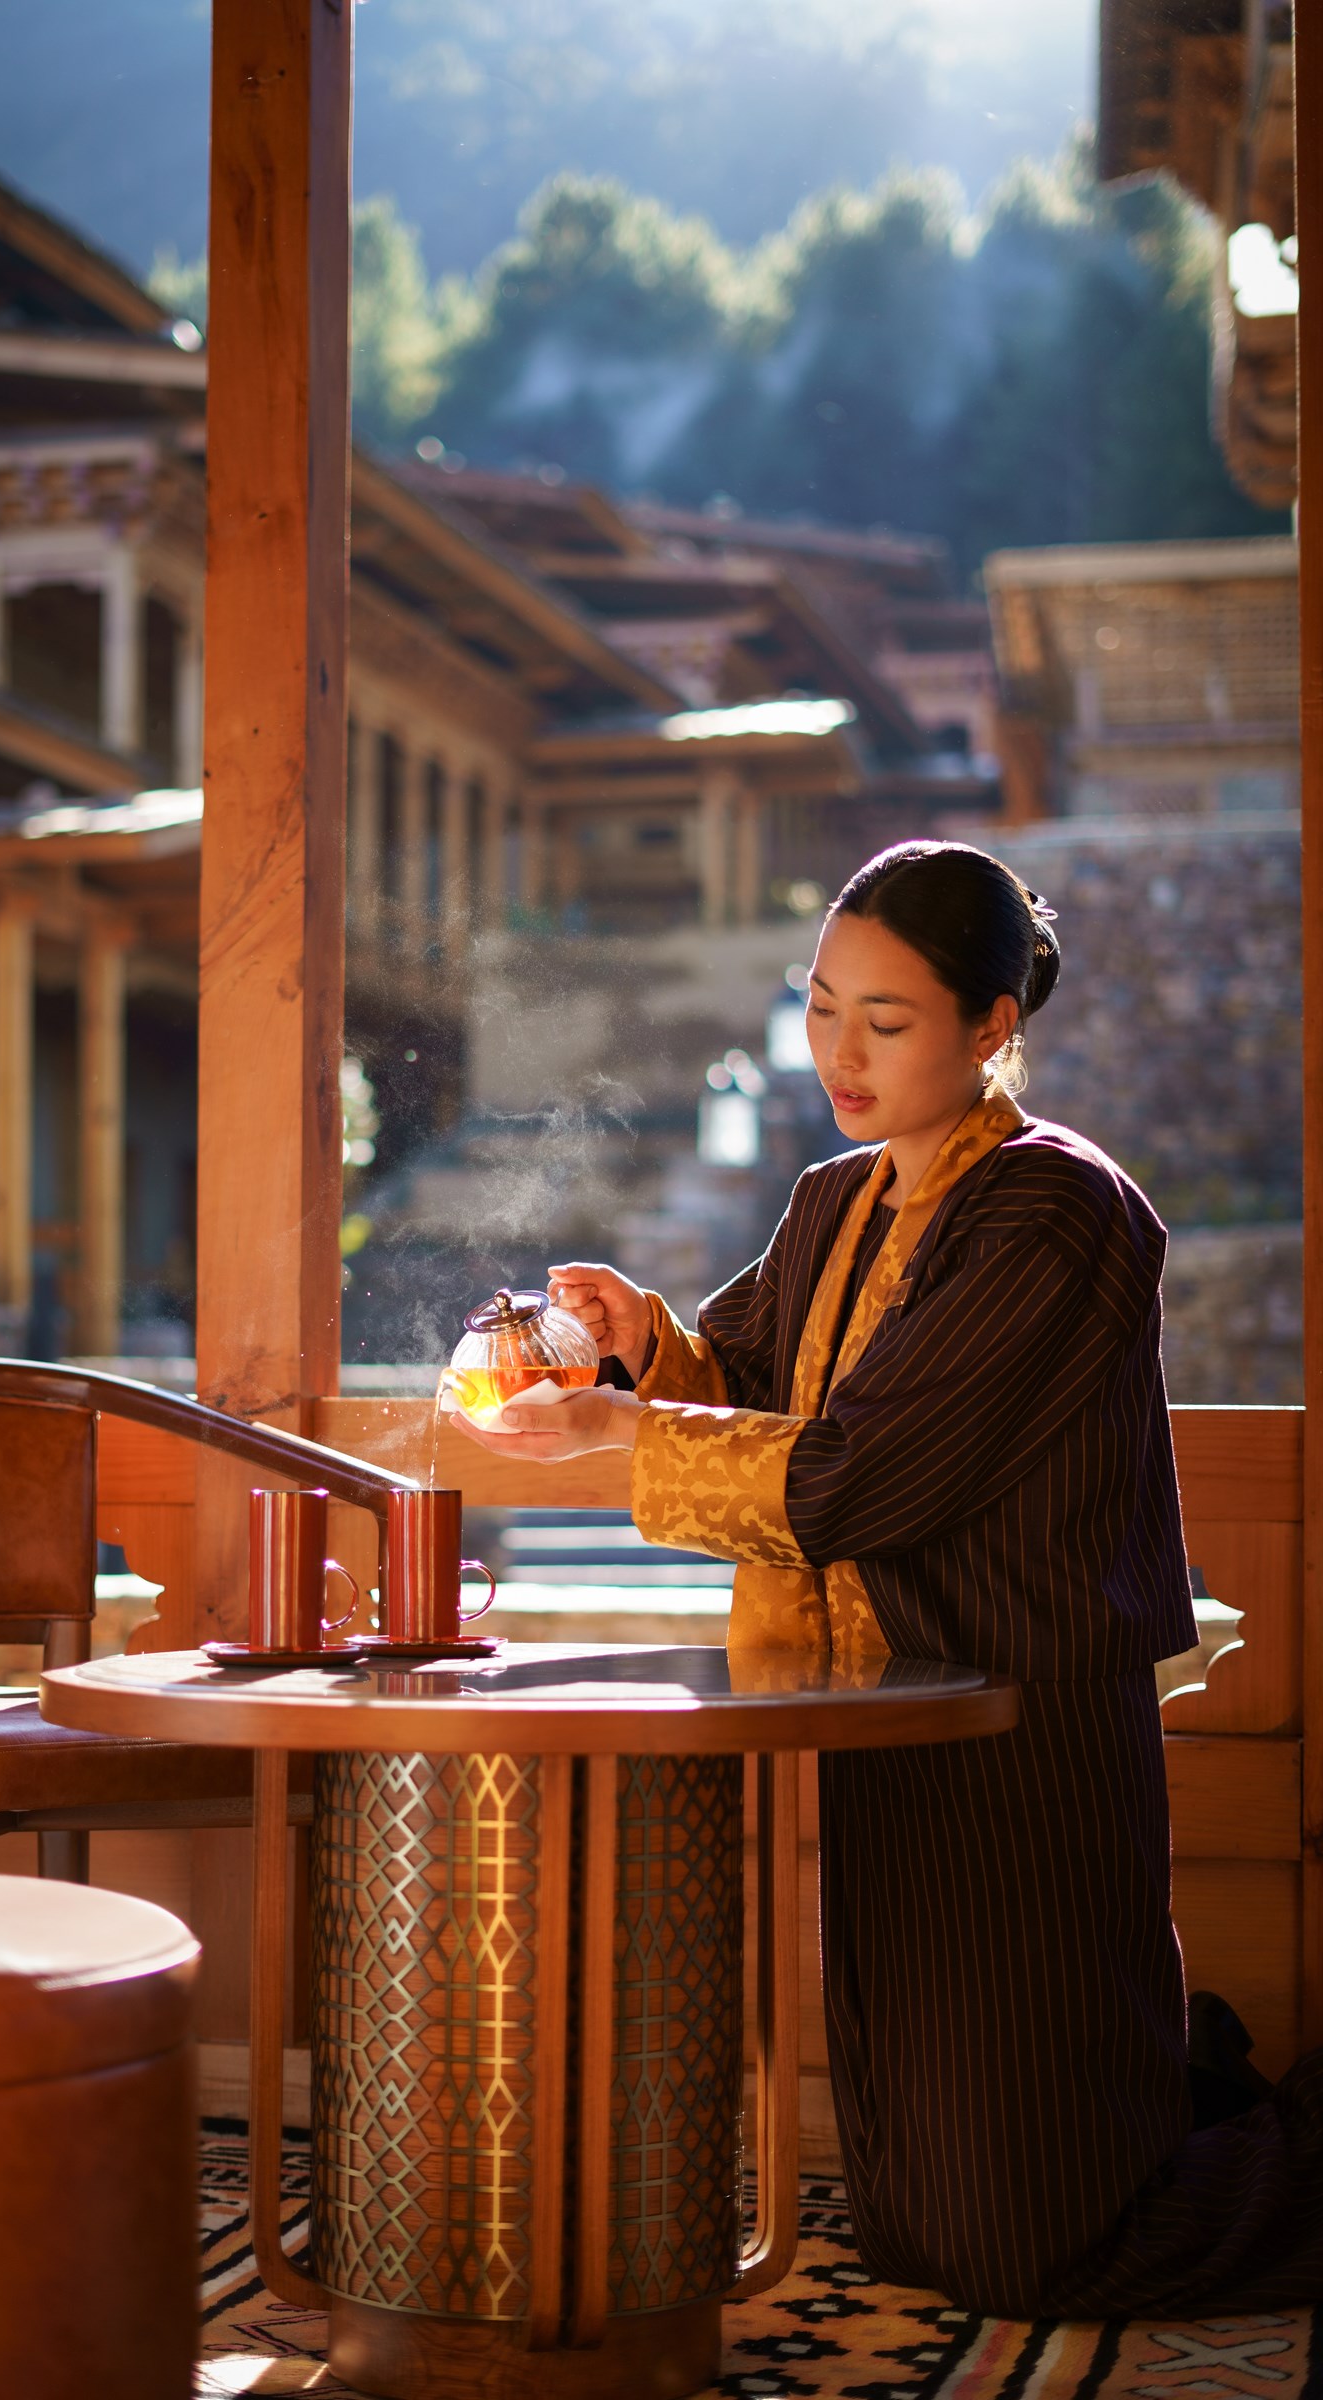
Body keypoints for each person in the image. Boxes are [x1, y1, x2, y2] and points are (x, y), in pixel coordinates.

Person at [457, 839, 1322, 2317]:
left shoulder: (1062, 1210)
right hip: (880, 1702)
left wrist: (620, 1436)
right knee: (920, 2221)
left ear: (992, 1026)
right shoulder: (832, 1203)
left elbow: (863, 1475)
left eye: (887, 1020)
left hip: (1019, 1711)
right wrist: (639, 1342)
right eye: (820, 1007)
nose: (839, 1055)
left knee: (1046, 2240)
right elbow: (747, 1380)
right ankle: (1187, 2088)